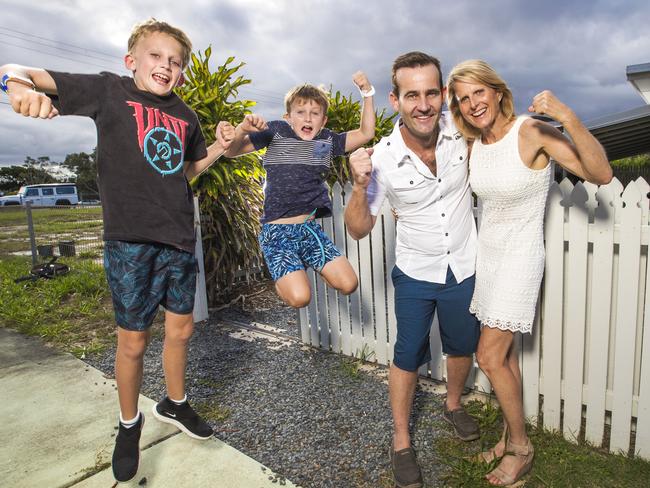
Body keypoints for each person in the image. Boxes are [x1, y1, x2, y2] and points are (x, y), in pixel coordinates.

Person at [0, 18, 235, 483]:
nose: (165, 66)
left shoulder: (186, 117)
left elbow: (185, 171)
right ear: (132, 61)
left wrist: (221, 151)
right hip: (129, 241)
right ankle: (130, 424)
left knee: (182, 331)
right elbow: (19, 68)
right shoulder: (110, 91)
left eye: (175, 61)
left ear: (182, 72)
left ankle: (174, 402)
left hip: (178, 239)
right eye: (155, 56)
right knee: (133, 342)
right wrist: (15, 85)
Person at [446, 59, 612, 486]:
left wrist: (568, 118)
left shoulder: (533, 131)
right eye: (463, 99)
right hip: (490, 259)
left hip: (521, 259)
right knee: (506, 357)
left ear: (497, 91)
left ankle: (521, 448)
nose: (472, 104)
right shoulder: (475, 146)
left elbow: (601, 173)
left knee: (487, 356)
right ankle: (507, 434)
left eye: (478, 92)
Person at [344, 52, 481, 488]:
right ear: (395, 99)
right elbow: (359, 228)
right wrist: (361, 186)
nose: (422, 105)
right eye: (411, 95)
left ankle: (454, 404)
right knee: (408, 354)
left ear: (442, 94)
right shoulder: (381, 159)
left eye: (430, 93)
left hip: (464, 266)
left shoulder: (461, 134)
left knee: (462, 345)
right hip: (416, 271)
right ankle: (402, 441)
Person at [224, 73, 376, 308]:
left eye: (315, 113)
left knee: (349, 284)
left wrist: (367, 93)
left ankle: (306, 265)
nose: (308, 118)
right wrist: (242, 129)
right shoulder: (275, 131)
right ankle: (283, 282)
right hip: (277, 234)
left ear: (323, 120)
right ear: (289, 117)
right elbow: (231, 151)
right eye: (300, 112)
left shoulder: (326, 141)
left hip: (308, 230)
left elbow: (366, 133)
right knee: (300, 298)